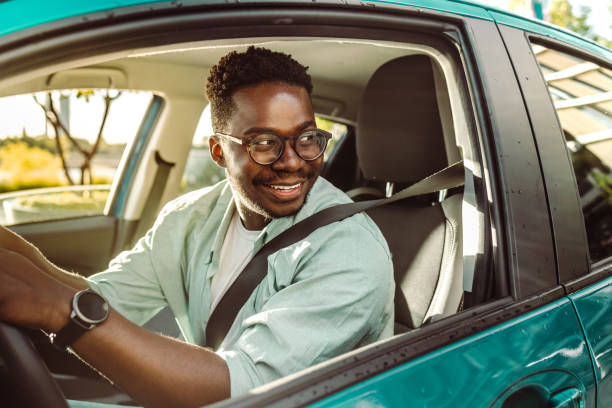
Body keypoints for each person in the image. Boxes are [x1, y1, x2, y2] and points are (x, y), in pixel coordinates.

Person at [0, 46, 394, 408]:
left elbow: (244, 389)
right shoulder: (189, 219)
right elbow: (107, 301)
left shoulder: (349, 249)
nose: (292, 162)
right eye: (264, 143)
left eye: (307, 138)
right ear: (220, 152)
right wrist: (28, 262)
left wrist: (55, 303)